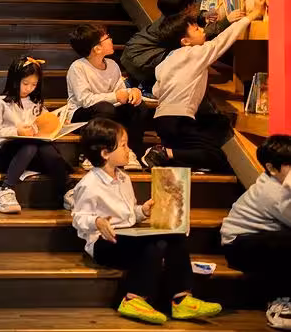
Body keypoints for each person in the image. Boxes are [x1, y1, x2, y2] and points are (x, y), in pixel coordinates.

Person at [72, 118, 222, 324]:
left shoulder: (123, 178)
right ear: (105, 153)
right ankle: (133, 298)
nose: (128, 150)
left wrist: (141, 211)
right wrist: (97, 222)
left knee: (171, 238)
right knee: (152, 244)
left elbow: (127, 212)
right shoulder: (89, 184)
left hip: (127, 236)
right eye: (123, 145)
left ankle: (181, 299)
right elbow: (78, 218)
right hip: (104, 244)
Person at [142, 0, 266, 170]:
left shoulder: (166, 61)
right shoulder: (195, 53)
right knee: (215, 157)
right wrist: (252, 15)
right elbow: (223, 40)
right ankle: (163, 152)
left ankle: (165, 154)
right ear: (185, 41)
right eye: (196, 29)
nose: (202, 30)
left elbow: (156, 90)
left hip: (162, 119)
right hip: (180, 119)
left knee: (189, 155)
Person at [0, 56, 74, 214]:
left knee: (44, 146)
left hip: (32, 156)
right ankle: (5, 189)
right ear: (14, 80)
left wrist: (58, 124)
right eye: (25, 83)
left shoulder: (36, 104)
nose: (29, 88)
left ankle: (67, 190)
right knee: (29, 144)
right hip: (6, 156)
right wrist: (16, 132)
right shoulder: (0, 103)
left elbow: (45, 123)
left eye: (34, 84)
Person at [221, 135, 291, 330]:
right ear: (271, 168)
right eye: (289, 166)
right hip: (238, 245)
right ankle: (280, 303)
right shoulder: (274, 192)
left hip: (261, 239)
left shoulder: (278, 181)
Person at [120, 0, 241, 95]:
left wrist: (204, 16)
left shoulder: (172, 15)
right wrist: (226, 21)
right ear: (185, 9)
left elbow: (194, 18)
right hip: (141, 58)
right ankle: (145, 87)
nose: (195, 7)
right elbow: (201, 36)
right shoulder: (172, 26)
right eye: (192, 5)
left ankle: (139, 83)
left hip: (135, 53)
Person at [67, 23, 144, 170]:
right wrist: (115, 96)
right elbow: (85, 100)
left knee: (137, 107)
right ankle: (91, 154)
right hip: (81, 115)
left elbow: (121, 94)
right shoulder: (78, 67)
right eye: (107, 38)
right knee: (105, 107)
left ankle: (131, 151)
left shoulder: (113, 65)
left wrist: (132, 93)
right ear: (97, 48)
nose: (111, 40)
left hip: (109, 111)